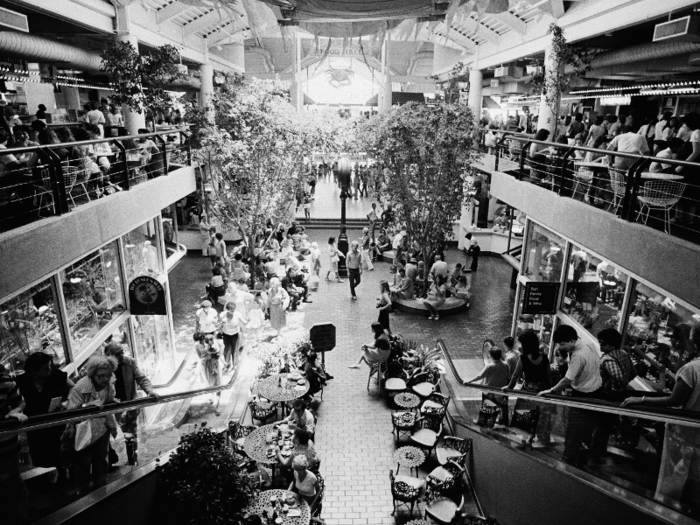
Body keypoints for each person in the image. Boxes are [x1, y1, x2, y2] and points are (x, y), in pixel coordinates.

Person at [622, 323, 700, 506]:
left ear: (694, 343)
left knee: (672, 479)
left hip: (683, 434)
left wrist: (640, 400)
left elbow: (675, 400)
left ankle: (666, 511)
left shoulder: (692, 369)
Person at [539, 325, 602, 466]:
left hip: (582, 394)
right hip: (596, 390)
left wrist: (552, 390)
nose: (562, 347)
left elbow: (568, 379)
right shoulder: (588, 343)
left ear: (571, 340)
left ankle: (568, 460)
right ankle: (582, 459)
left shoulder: (578, 355)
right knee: (586, 429)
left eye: (563, 344)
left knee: (574, 429)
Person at [15, 353, 73, 480]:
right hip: (36, 423)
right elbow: (16, 401)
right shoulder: (21, 382)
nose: (49, 370)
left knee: (61, 447)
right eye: (45, 368)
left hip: (57, 420)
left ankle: (64, 471)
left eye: (49, 367)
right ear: (34, 370)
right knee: (44, 451)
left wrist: (67, 401)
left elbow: (73, 387)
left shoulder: (56, 375)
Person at [66, 355, 119, 491]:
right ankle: (83, 493)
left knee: (101, 459)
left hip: (102, 426)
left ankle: (101, 489)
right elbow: (72, 410)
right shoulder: (82, 386)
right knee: (83, 461)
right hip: (83, 428)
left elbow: (109, 400)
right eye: (100, 376)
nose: (105, 379)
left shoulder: (109, 384)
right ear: (92, 373)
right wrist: (88, 406)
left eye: (108, 375)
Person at [0, 364, 29, 524]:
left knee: (13, 482)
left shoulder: (6, 382)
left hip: (6, 443)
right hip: (6, 441)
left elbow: (20, 403)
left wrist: (14, 412)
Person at [198, 334, 222, 415]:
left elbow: (218, 356)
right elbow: (202, 360)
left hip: (216, 367)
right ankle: (213, 397)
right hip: (209, 367)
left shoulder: (217, 345)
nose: (210, 343)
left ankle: (218, 404)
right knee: (212, 384)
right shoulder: (204, 349)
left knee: (218, 384)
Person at [220, 301, 246, 372]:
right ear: (227, 309)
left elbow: (244, 321)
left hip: (235, 334)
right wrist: (222, 321)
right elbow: (218, 322)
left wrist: (247, 321)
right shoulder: (223, 314)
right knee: (227, 350)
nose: (233, 310)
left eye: (234, 309)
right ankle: (227, 365)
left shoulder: (237, 314)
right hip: (226, 334)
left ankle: (235, 365)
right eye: (231, 309)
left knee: (235, 349)